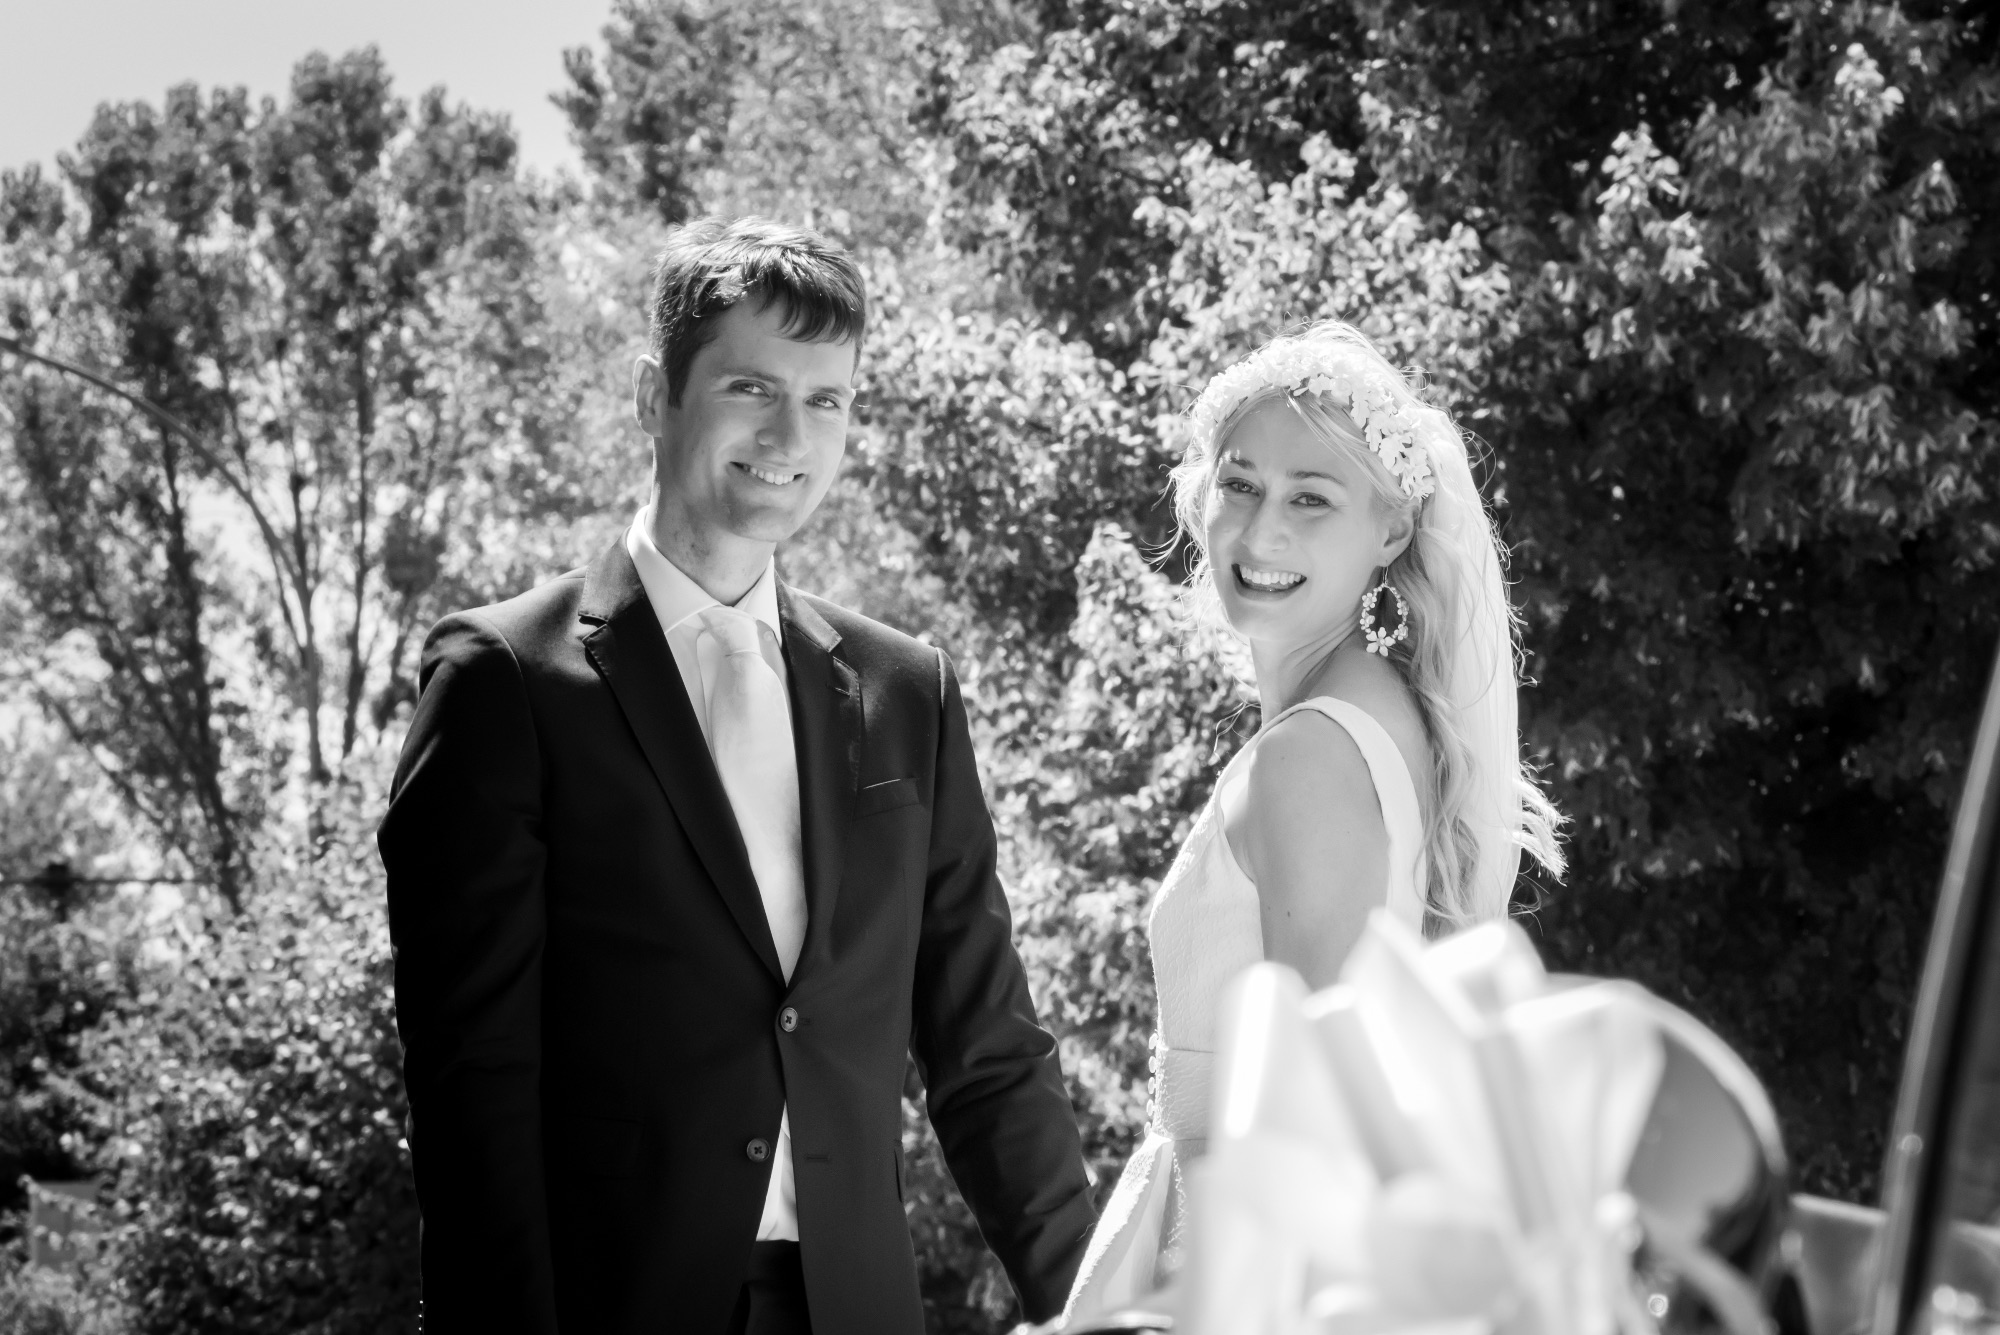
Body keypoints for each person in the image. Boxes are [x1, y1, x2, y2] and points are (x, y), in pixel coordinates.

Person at [379, 217, 1096, 1335]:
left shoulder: (908, 691)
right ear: (651, 395)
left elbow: (987, 1052)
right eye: (751, 387)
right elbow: (472, 1085)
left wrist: (1105, 1306)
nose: (789, 434)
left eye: (826, 400)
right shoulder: (502, 681)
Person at [1062, 321, 1566, 1319]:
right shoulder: (1378, 712)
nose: (1260, 535)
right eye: (1240, 484)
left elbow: (1313, 1117)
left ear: (1391, 530)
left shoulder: (1308, 758)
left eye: (1310, 499)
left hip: (1236, 1258)